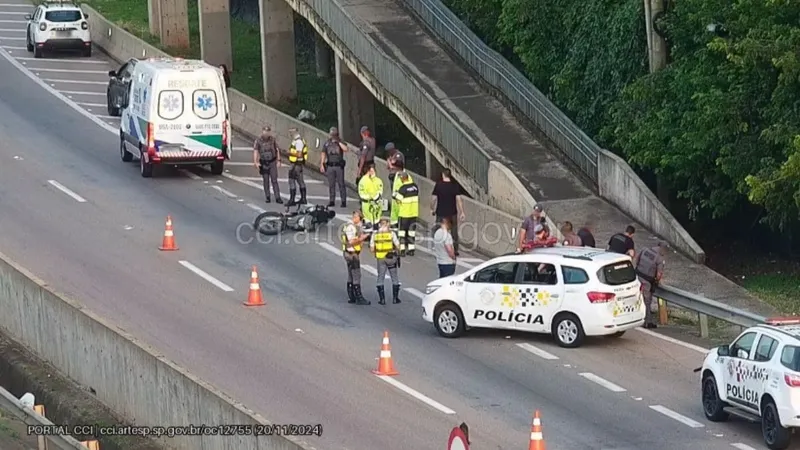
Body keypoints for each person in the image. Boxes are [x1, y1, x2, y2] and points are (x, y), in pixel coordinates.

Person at [431, 169, 465, 255]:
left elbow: (434, 198)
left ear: (443, 174)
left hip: (441, 212)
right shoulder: (454, 186)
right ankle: (455, 249)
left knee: (437, 229)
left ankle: (437, 246)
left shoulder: (438, 185)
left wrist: (432, 208)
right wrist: (462, 212)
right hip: (452, 212)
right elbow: (459, 199)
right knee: (454, 231)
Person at [341, 211, 371, 305]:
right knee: (356, 275)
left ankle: (352, 297)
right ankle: (359, 297)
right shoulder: (351, 227)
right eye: (360, 219)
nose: (361, 222)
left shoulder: (351, 226)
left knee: (351, 275)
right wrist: (362, 238)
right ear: (356, 217)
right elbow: (351, 242)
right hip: (352, 254)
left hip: (350, 253)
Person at [370, 218, 402, 305]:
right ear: (387, 224)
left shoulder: (375, 234)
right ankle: (395, 299)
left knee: (380, 278)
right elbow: (398, 245)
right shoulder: (391, 234)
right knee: (394, 277)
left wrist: (377, 252)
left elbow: (372, 249)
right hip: (391, 258)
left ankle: (382, 300)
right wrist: (397, 254)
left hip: (380, 259)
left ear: (380, 224)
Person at [635, 242, 666, 328]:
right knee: (647, 301)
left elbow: (637, 259)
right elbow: (659, 274)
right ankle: (647, 322)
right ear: (663, 249)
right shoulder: (659, 258)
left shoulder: (645, 249)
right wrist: (656, 281)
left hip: (637, 277)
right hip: (646, 281)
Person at [252, 126, 283, 204]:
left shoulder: (273, 140)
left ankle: (277, 197)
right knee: (266, 180)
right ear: (262, 131)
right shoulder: (258, 140)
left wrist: (279, 160)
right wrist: (255, 162)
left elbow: (277, 150)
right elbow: (255, 151)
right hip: (264, 162)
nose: (266, 133)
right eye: (265, 131)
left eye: (268, 131)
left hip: (272, 162)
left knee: (274, 180)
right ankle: (267, 196)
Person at [392, 171, 419, 256]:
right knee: (411, 232)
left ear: (402, 179)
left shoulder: (403, 188)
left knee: (402, 233)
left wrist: (395, 194)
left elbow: (398, 199)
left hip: (404, 214)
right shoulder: (415, 187)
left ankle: (402, 250)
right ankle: (411, 250)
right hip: (413, 214)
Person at [320, 127, 348, 207]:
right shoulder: (327, 143)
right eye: (331, 135)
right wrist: (322, 164)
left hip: (339, 166)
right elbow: (323, 153)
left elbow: (346, 149)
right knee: (331, 184)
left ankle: (343, 201)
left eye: (334, 135)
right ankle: (332, 200)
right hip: (330, 166)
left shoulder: (340, 141)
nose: (332, 136)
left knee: (341, 184)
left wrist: (338, 142)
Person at [286, 128, 309, 206]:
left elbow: (299, 154)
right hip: (298, 164)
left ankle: (292, 200)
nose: (290, 134)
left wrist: (290, 153)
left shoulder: (298, 142)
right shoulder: (298, 141)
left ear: (294, 133)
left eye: (291, 133)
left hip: (296, 164)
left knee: (291, 180)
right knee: (300, 181)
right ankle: (303, 198)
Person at [357, 163, 383, 231]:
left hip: (372, 204)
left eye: (373, 171)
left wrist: (377, 199)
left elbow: (379, 192)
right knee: (370, 222)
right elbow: (372, 194)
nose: (372, 172)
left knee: (373, 221)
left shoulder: (376, 180)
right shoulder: (367, 181)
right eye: (370, 171)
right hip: (369, 204)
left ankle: (372, 234)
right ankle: (372, 235)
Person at [386, 142, 404, 229]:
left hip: (398, 179)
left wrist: (391, 163)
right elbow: (389, 167)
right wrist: (390, 163)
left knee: (397, 197)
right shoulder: (390, 156)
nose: (389, 153)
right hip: (392, 177)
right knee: (393, 198)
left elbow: (397, 166)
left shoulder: (398, 155)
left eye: (389, 151)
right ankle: (395, 219)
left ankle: (398, 218)